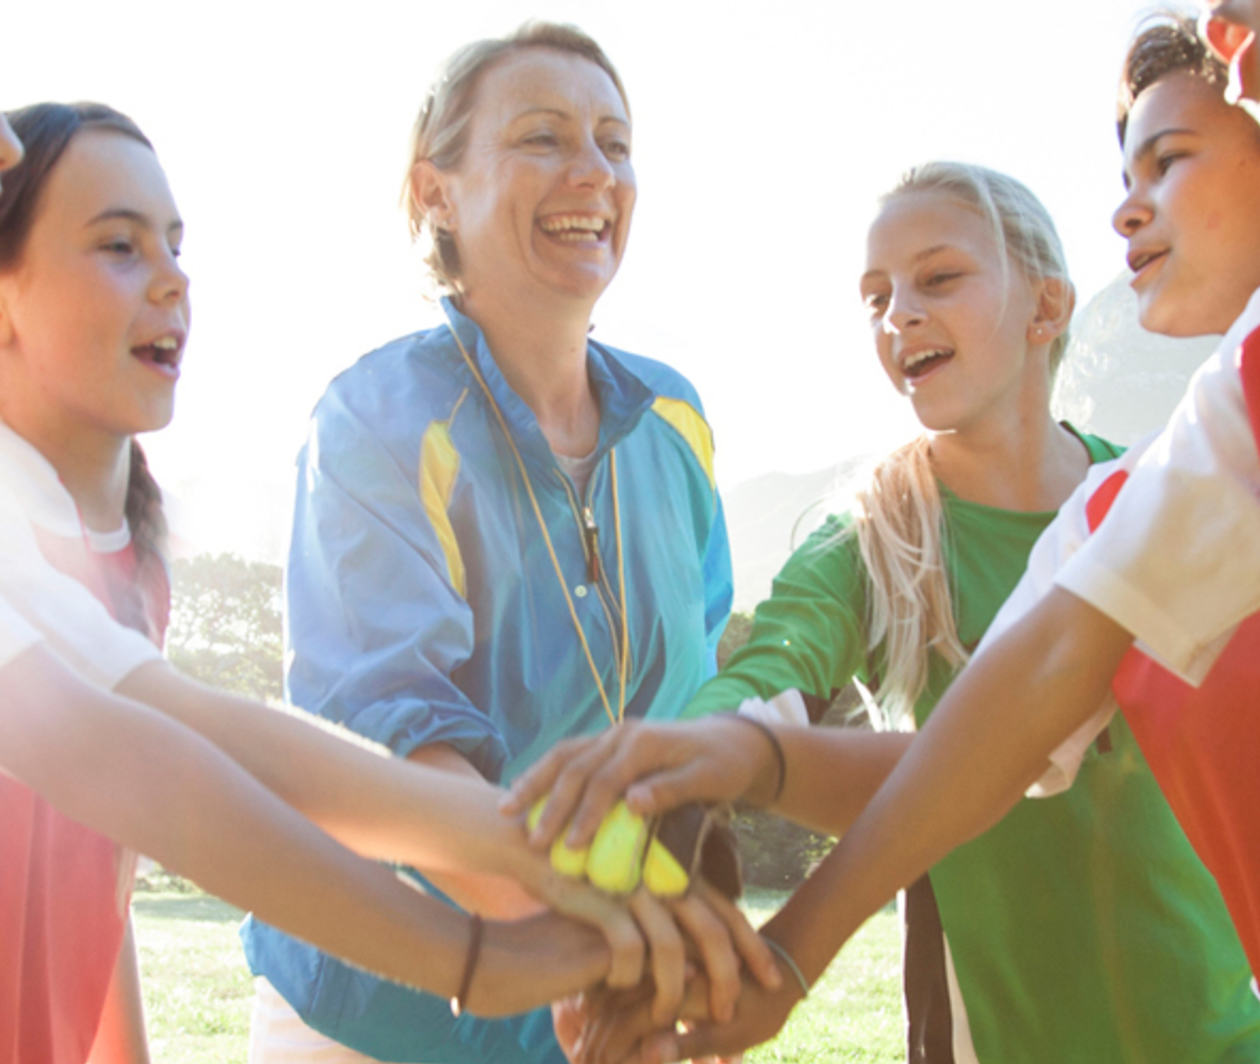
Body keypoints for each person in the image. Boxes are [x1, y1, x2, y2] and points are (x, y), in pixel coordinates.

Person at [515, 14, 1260, 1061]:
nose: (898, 315)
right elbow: (809, 679)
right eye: (876, 297)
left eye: (940, 278)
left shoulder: (1168, 474)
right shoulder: (897, 532)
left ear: (1049, 303)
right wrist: (695, 783)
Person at [0, 100, 703, 1064]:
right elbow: (150, 768)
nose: (174, 279)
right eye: (119, 246)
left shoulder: (120, 558)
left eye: (173, 243)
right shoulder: (375, 419)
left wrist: (612, 877)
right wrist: (475, 956)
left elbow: (146, 807)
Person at [237, 20, 771, 1064]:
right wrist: (603, 948)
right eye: (542, 137)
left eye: (615, 143)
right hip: (382, 1013)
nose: (594, 170)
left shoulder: (678, 417)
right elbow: (396, 737)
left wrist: (659, 942)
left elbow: (694, 706)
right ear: (433, 190)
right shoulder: (375, 417)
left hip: (606, 996)